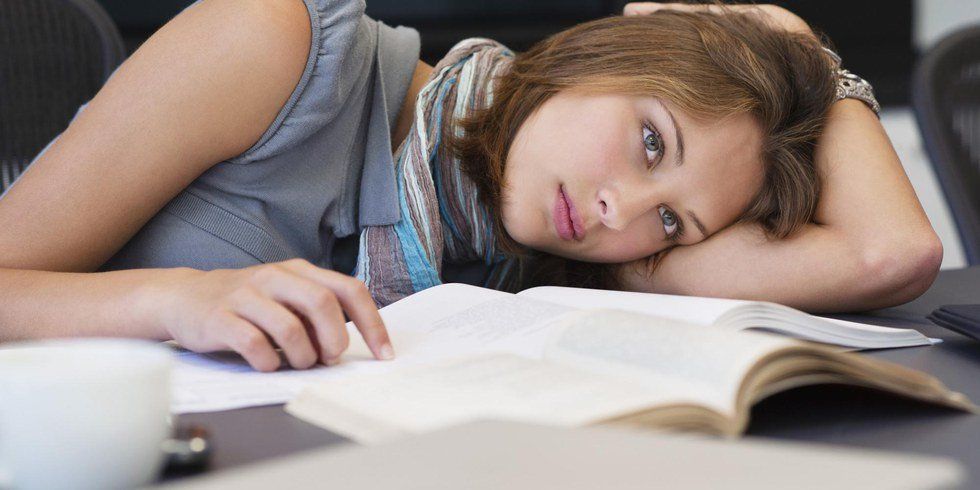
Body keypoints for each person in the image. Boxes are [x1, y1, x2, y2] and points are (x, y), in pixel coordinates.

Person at [0, 1, 942, 372]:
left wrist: (810, 55)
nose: (619, 209)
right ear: (596, 55)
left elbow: (892, 253)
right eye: (650, 140)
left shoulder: (557, 258)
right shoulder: (276, 43)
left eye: (672, 221)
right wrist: (180, 301)